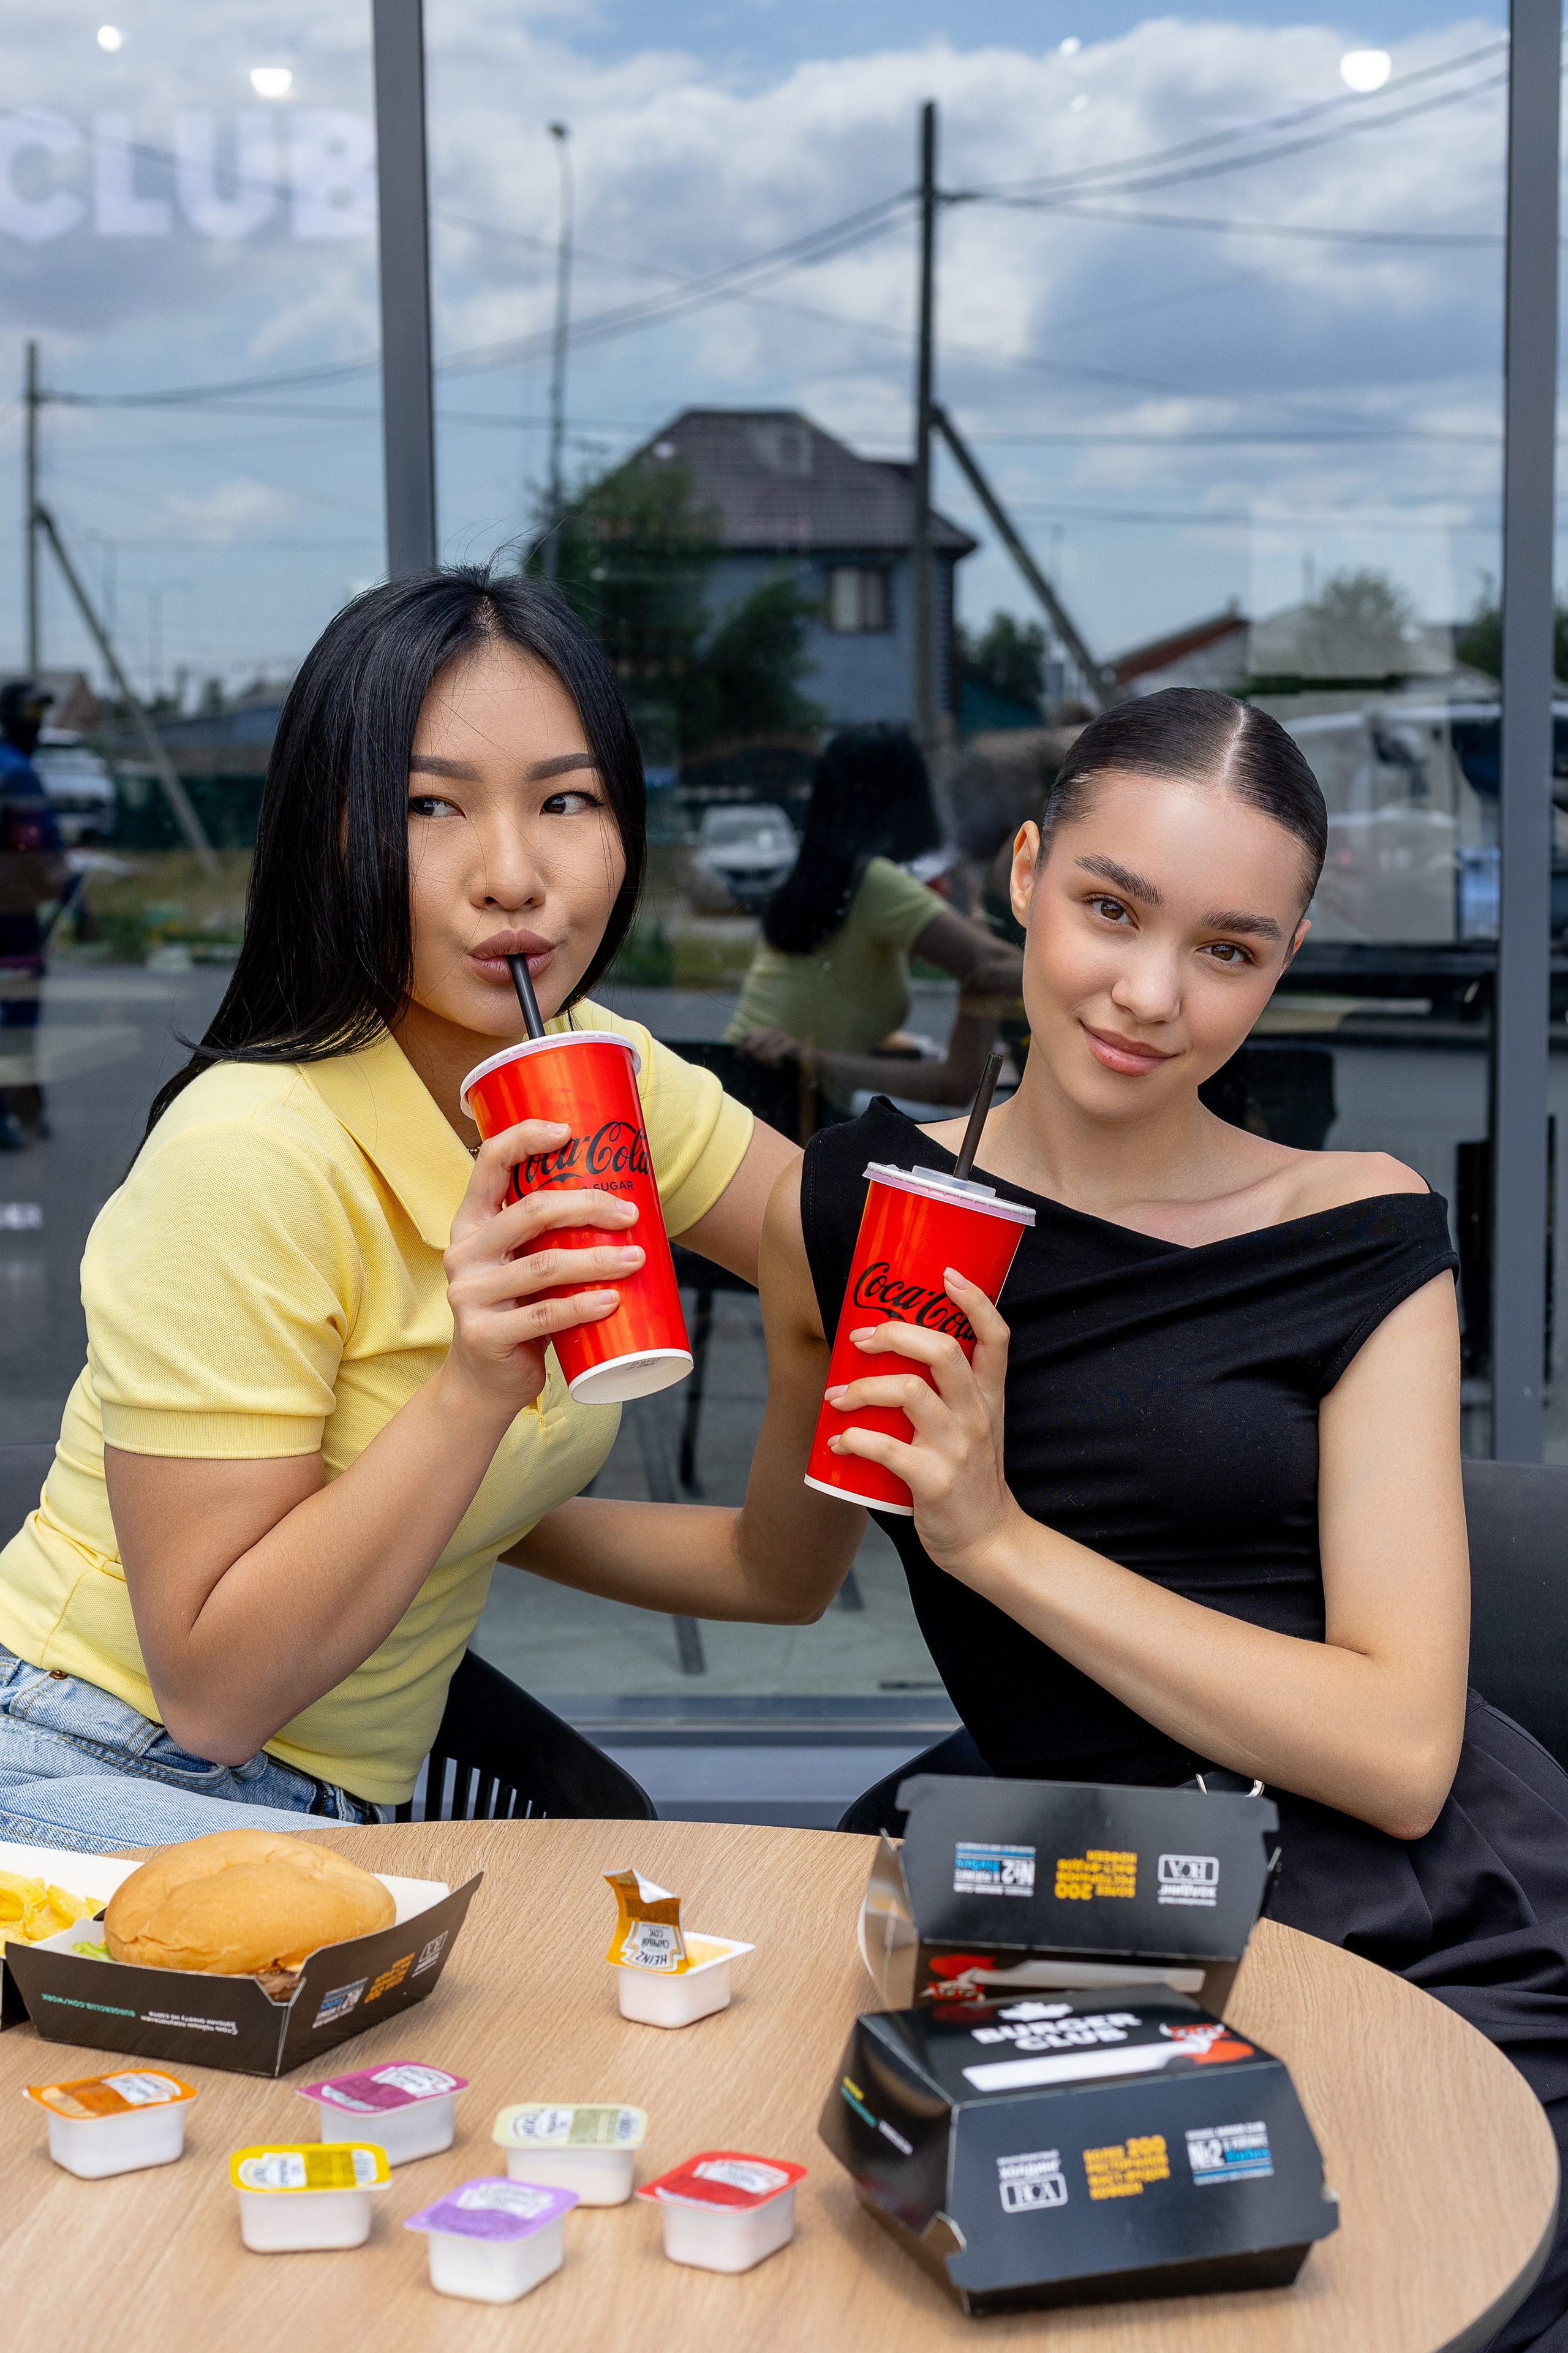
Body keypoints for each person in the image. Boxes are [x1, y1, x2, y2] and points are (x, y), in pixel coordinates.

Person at [738, 684, 1568, 2353]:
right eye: (1111, 908)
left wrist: (994, 1542)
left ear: (1284, 959)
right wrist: (481, 1504)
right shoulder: (858, 1209)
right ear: (1023, 873)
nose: (1148, 994)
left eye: (1227, 950)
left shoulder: (1359, 1226)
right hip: (1084, 1902)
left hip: (1403, 1917)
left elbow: (1402, 1751)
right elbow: (770, 1567)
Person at [0, 568, 801, 1853]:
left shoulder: (600, 1076)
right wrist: (477, 1385)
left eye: (566, 800)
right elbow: (212, 1695)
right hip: (88, 1758)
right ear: (333, 837)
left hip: (343, 1817)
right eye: (430, 805)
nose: (512, 876)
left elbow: (836, 1241)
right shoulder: (252, 1154)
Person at [726, 724, 1023, 1116]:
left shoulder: (818, 881)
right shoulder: (871, 882)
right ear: (909, 803)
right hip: (781, 1102)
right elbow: (997, 968)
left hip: (745, 1085)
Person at [0, 680, 69, 1149]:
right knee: (17, 1017)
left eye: (42, 713)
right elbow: (35, 848)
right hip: (12, 916)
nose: (38, 723)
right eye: (30, 712)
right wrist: (71, 896)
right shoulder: (18, 773)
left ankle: (28, 1109)